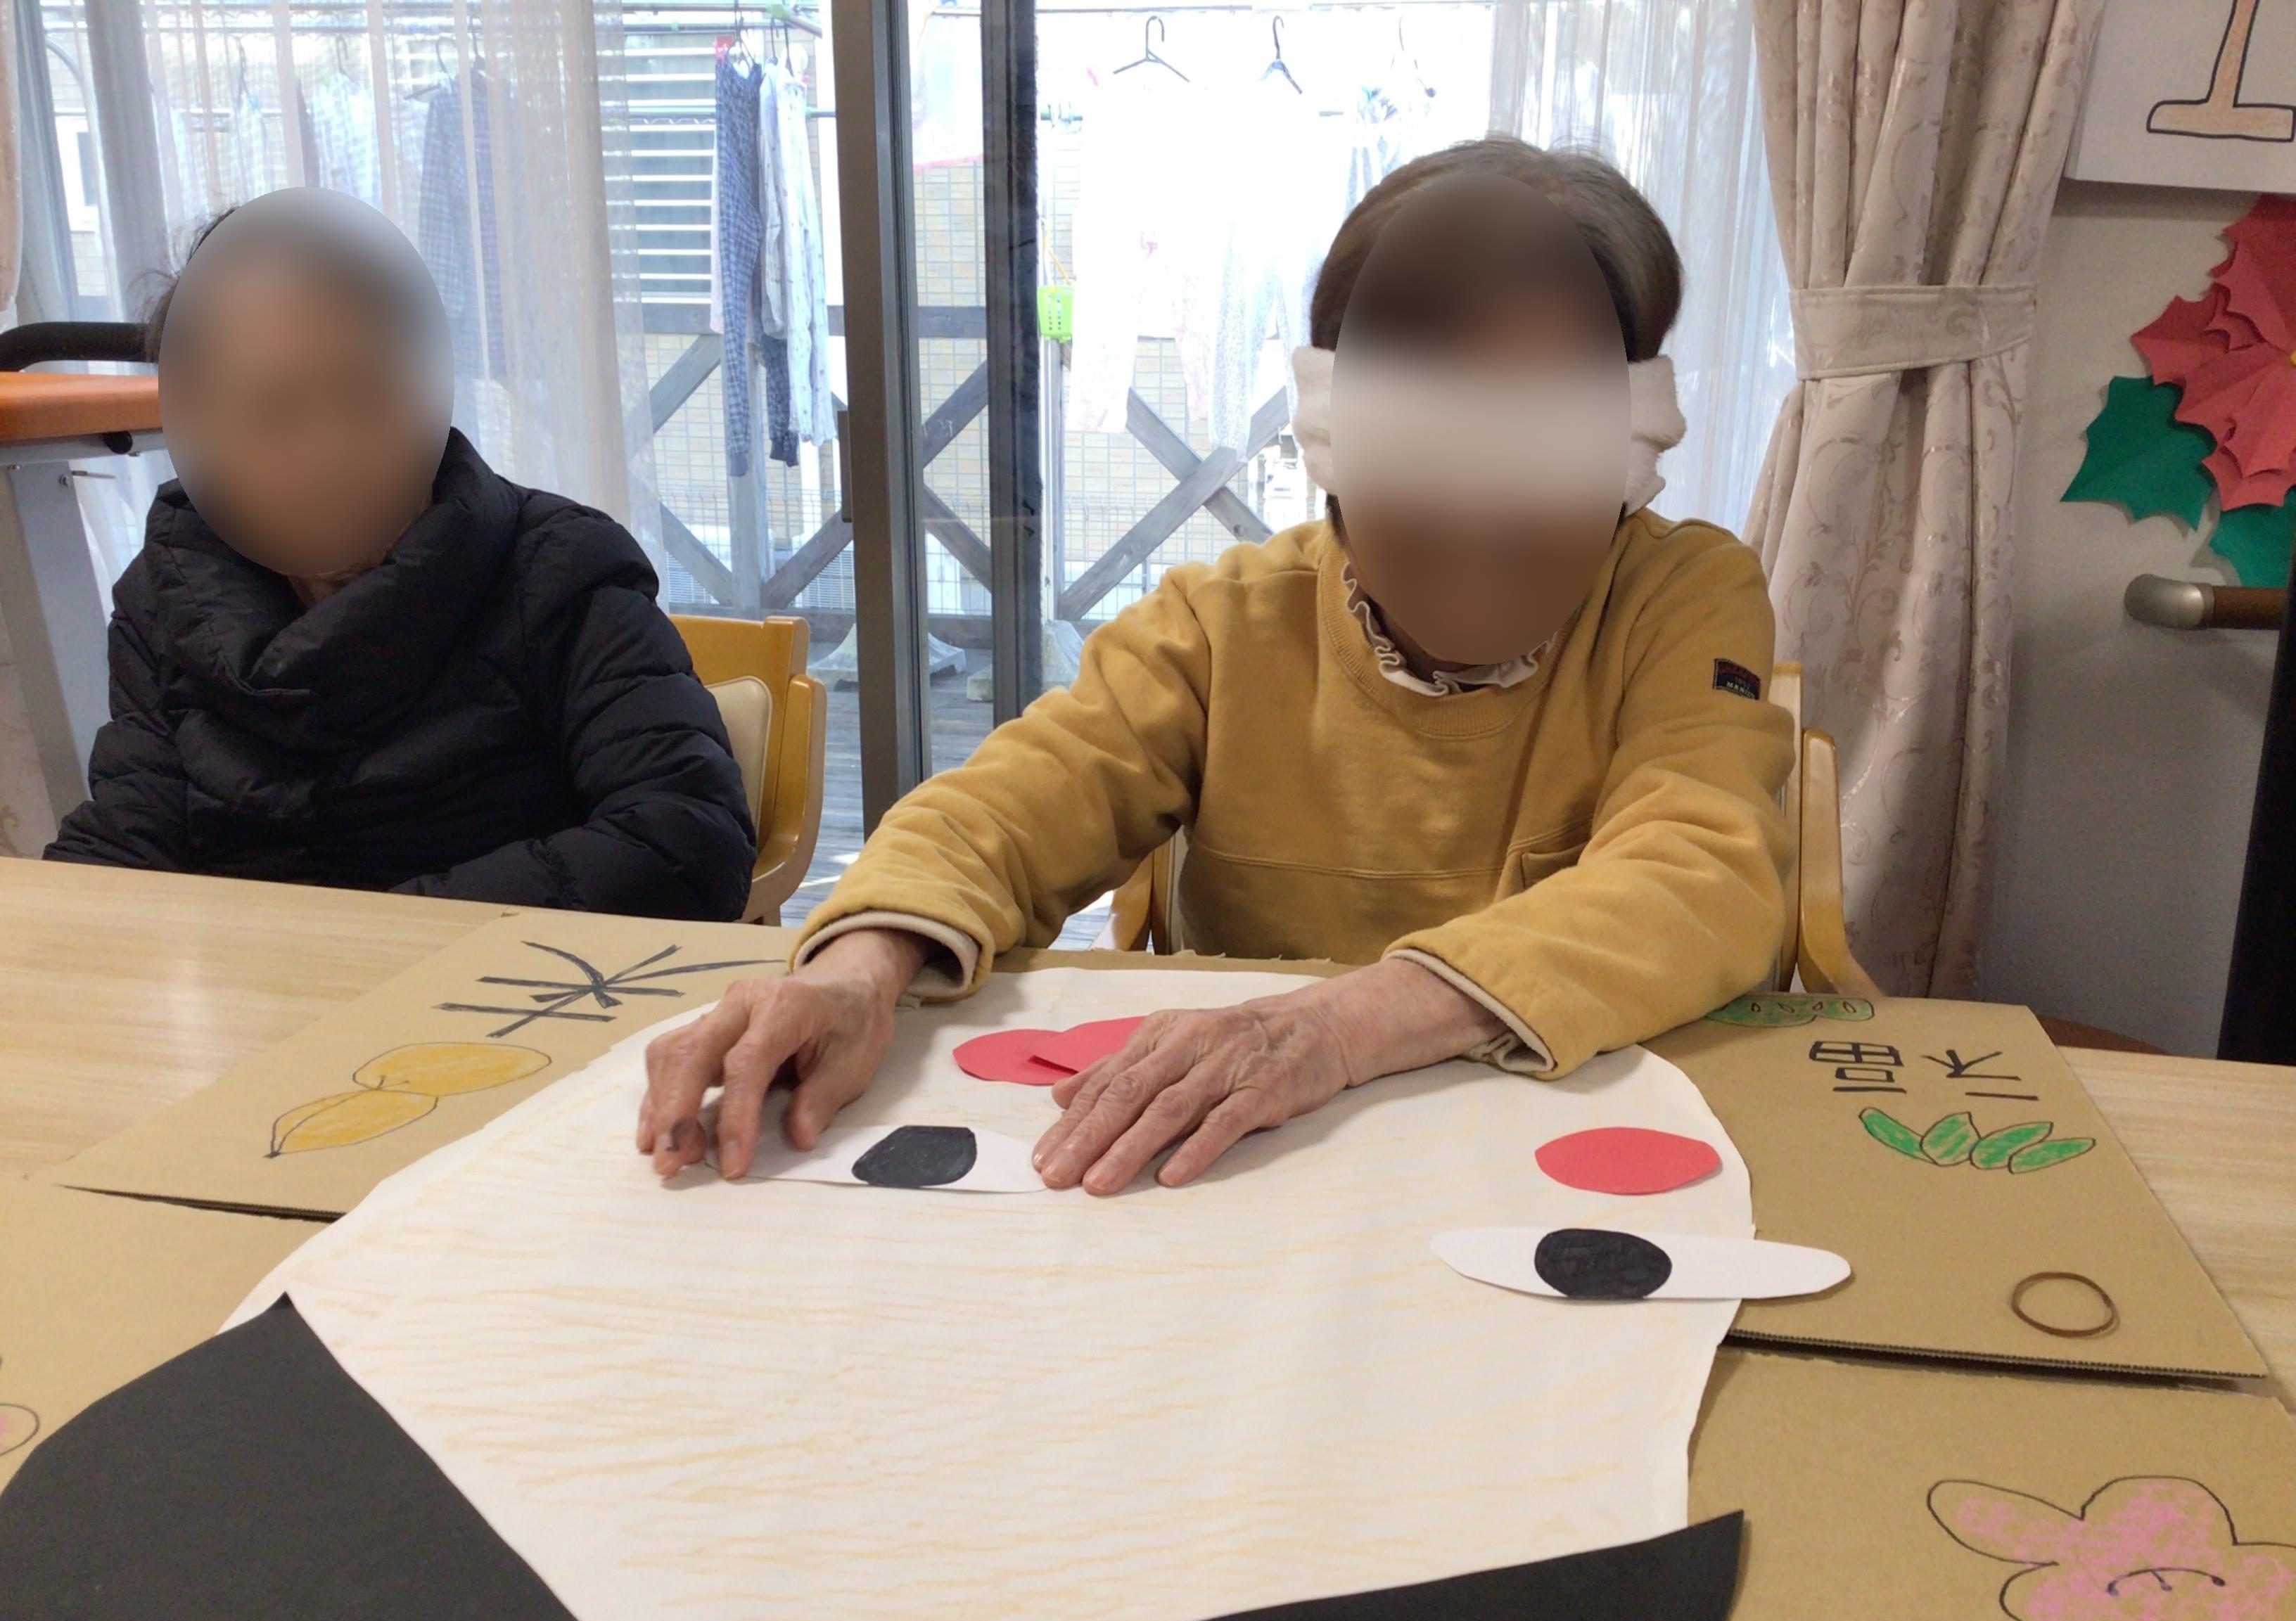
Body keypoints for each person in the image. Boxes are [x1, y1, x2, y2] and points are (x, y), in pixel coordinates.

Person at [641, 139, 1795, 1190]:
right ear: (1333, 433)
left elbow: (1698, 869)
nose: (1480, 510)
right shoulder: (1223, 623)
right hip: (1244, 1177)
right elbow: (1005, 808)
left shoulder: (1677, 597)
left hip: (1552, 1160)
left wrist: (1335, 1028)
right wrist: (854, 970)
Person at [46, 189, 756, 921]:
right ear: (203, 428)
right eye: (276, 413)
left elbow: (682, 839)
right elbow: (129, 847)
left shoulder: (562, 568)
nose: (330, 453)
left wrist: (371, 937)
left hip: (501, 981)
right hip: (262, 986)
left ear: (422, 383)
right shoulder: (164, 599)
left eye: (365, 394)